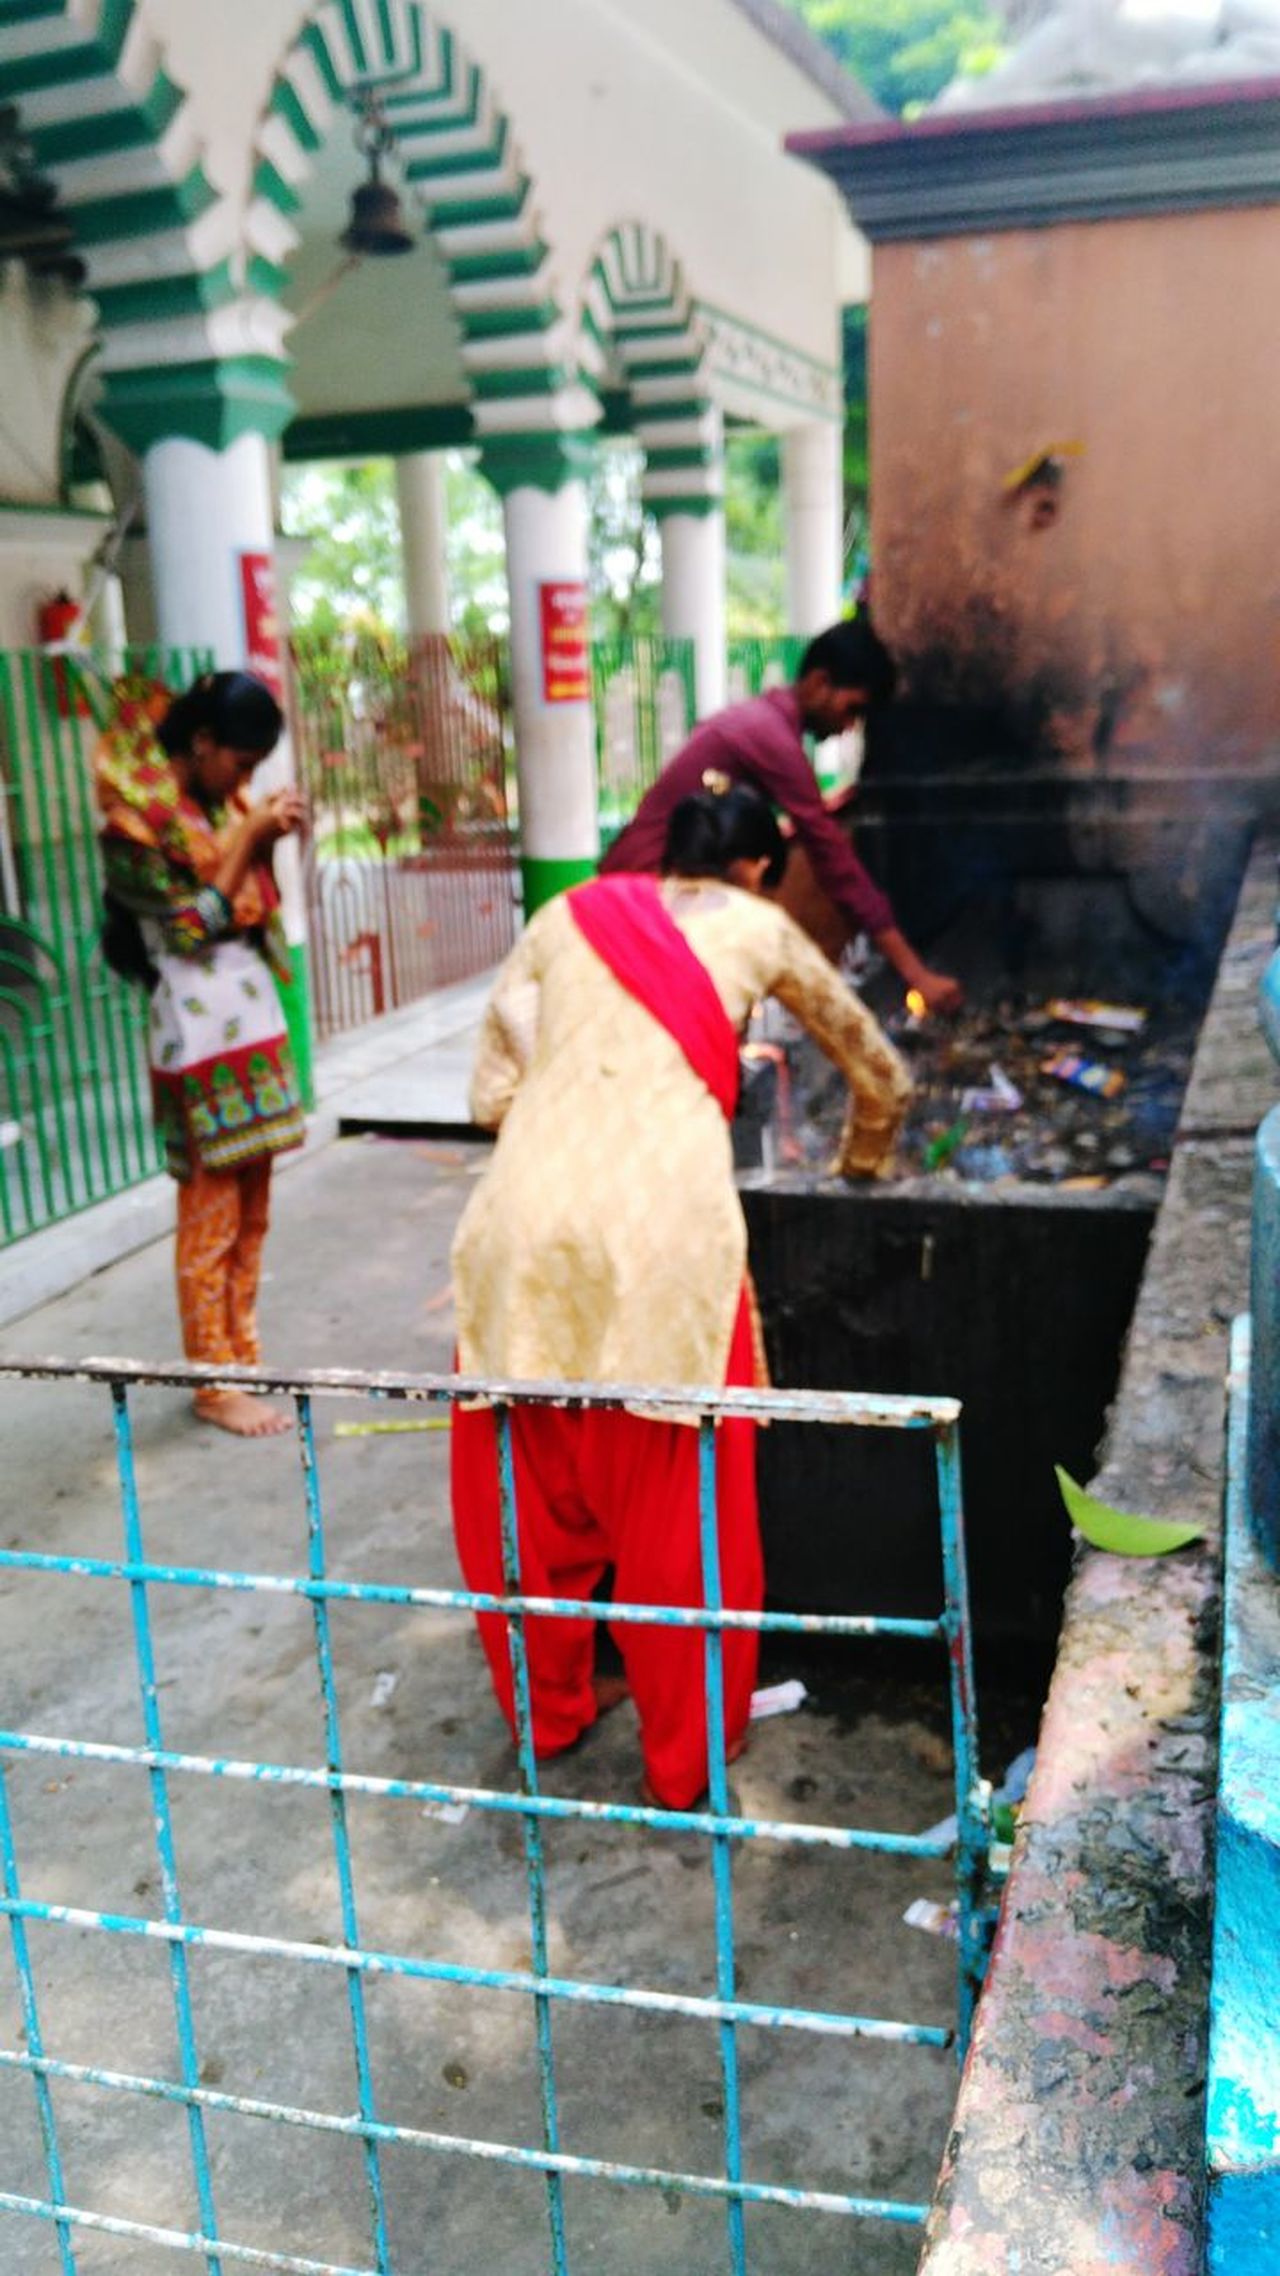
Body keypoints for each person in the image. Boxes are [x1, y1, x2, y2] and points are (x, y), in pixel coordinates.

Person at [450, 785, 910, 1809]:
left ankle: (550, 1717)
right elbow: (876, 1068)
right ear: (754, 865)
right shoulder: (759, 924)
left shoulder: (568, 913)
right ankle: (684, 1756)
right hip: (668, 1239)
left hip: (517, 1225)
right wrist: (863, 1160)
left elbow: (489, 1090)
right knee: (676, 1506)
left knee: (531, 1493)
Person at [95, 670, 307, 1438]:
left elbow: (253, 912)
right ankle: (212, 1381)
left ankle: (243, 1359)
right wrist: (250, 838)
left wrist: (262, 840)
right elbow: (187, 930)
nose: (245, 782)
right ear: (202, 742)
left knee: (253, 1216)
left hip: (248, 1025)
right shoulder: (132, 830)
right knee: (209, 1218)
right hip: (193, 1038)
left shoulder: (224, 811)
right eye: (240, 764)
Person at [602, 616, 963, 1015]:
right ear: (820, 682)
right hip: (646, 887)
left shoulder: (757, 721)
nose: (848, 727)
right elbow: (833, 861)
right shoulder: (768, 736)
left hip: (649, 886)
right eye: (852, 709)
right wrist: (916, 973)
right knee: (829, 859)